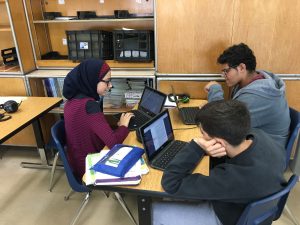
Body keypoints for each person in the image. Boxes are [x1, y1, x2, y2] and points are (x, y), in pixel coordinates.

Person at [153, 100, 286, 225]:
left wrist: (197, 146)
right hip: (246, 202)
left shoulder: (231, 179)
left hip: (227, 217)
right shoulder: (261, 136)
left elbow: (171, 183)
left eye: (202, 134)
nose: (201, 137)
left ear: (219, 142)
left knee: (154, 211)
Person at [204, 43, 290, 148]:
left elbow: (221, 126)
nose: (224, 76)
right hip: (255, 142)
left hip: (263, 155)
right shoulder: (251, 83)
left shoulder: (257, 97)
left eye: (226, 71)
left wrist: (215, 90)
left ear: (241, 67)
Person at [63, 59, 134, 180]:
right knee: (135, 149)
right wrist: (123, 126)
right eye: (107, 81)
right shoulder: (89, 106)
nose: (110, 85)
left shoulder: (72, 101)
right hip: (90, 167)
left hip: (78, 162)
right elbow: (114, 144)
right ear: (92, 79)